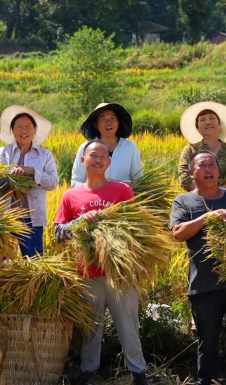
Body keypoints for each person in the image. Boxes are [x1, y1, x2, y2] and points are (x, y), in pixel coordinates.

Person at [55, 140, 149, 385]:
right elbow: (58, 235)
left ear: (109, 162)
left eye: (103, 156)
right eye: (92, 156)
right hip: (86, 272)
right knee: (90, 328)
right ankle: (88, 373)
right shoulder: (70, 195)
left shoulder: (121, 191)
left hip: (118, 273)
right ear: (83, 160)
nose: (98, 160)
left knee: (128, 325)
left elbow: (137, 228)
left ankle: (138, 373)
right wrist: (81, 222)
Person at [170, 151, 226, 385]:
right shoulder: (184, 201)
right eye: (202, 166)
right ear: (192, 173)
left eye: (212, 165)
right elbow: (178, 233)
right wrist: (209, 217)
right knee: (207, 341)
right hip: (204, 285)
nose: (208, 169)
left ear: (219, 171)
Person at [0, 105, 59, 258]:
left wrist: (33, 172)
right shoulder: (1, 153)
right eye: (19, 127)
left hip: (32, 218)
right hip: (4, 217)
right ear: (12, 131)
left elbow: (53, 183)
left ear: (34, 130)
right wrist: (9, 177)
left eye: (28, 126)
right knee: (3, 264)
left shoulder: (45, 155)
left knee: (33, 263)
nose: (24, 131)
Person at [71, 103, 142, 187]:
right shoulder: (86, 148)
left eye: (112, 118)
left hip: (123, 199)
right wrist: (92, 193)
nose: (109, 122)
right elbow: (76, 180)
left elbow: (138, 179)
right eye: (103, 119)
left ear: (118, 122)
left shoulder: (130, 148)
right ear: (96, 124)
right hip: (94, 199)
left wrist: (126, 188)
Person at [177, 101, 226, 192]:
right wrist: (209, 191)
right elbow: (183, 177)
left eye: (212, 118)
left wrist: (225, 191)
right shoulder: (190, 150)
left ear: (219, 125)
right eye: (202, 120)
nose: (208, 122)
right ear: (197, 128)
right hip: (198, 200)